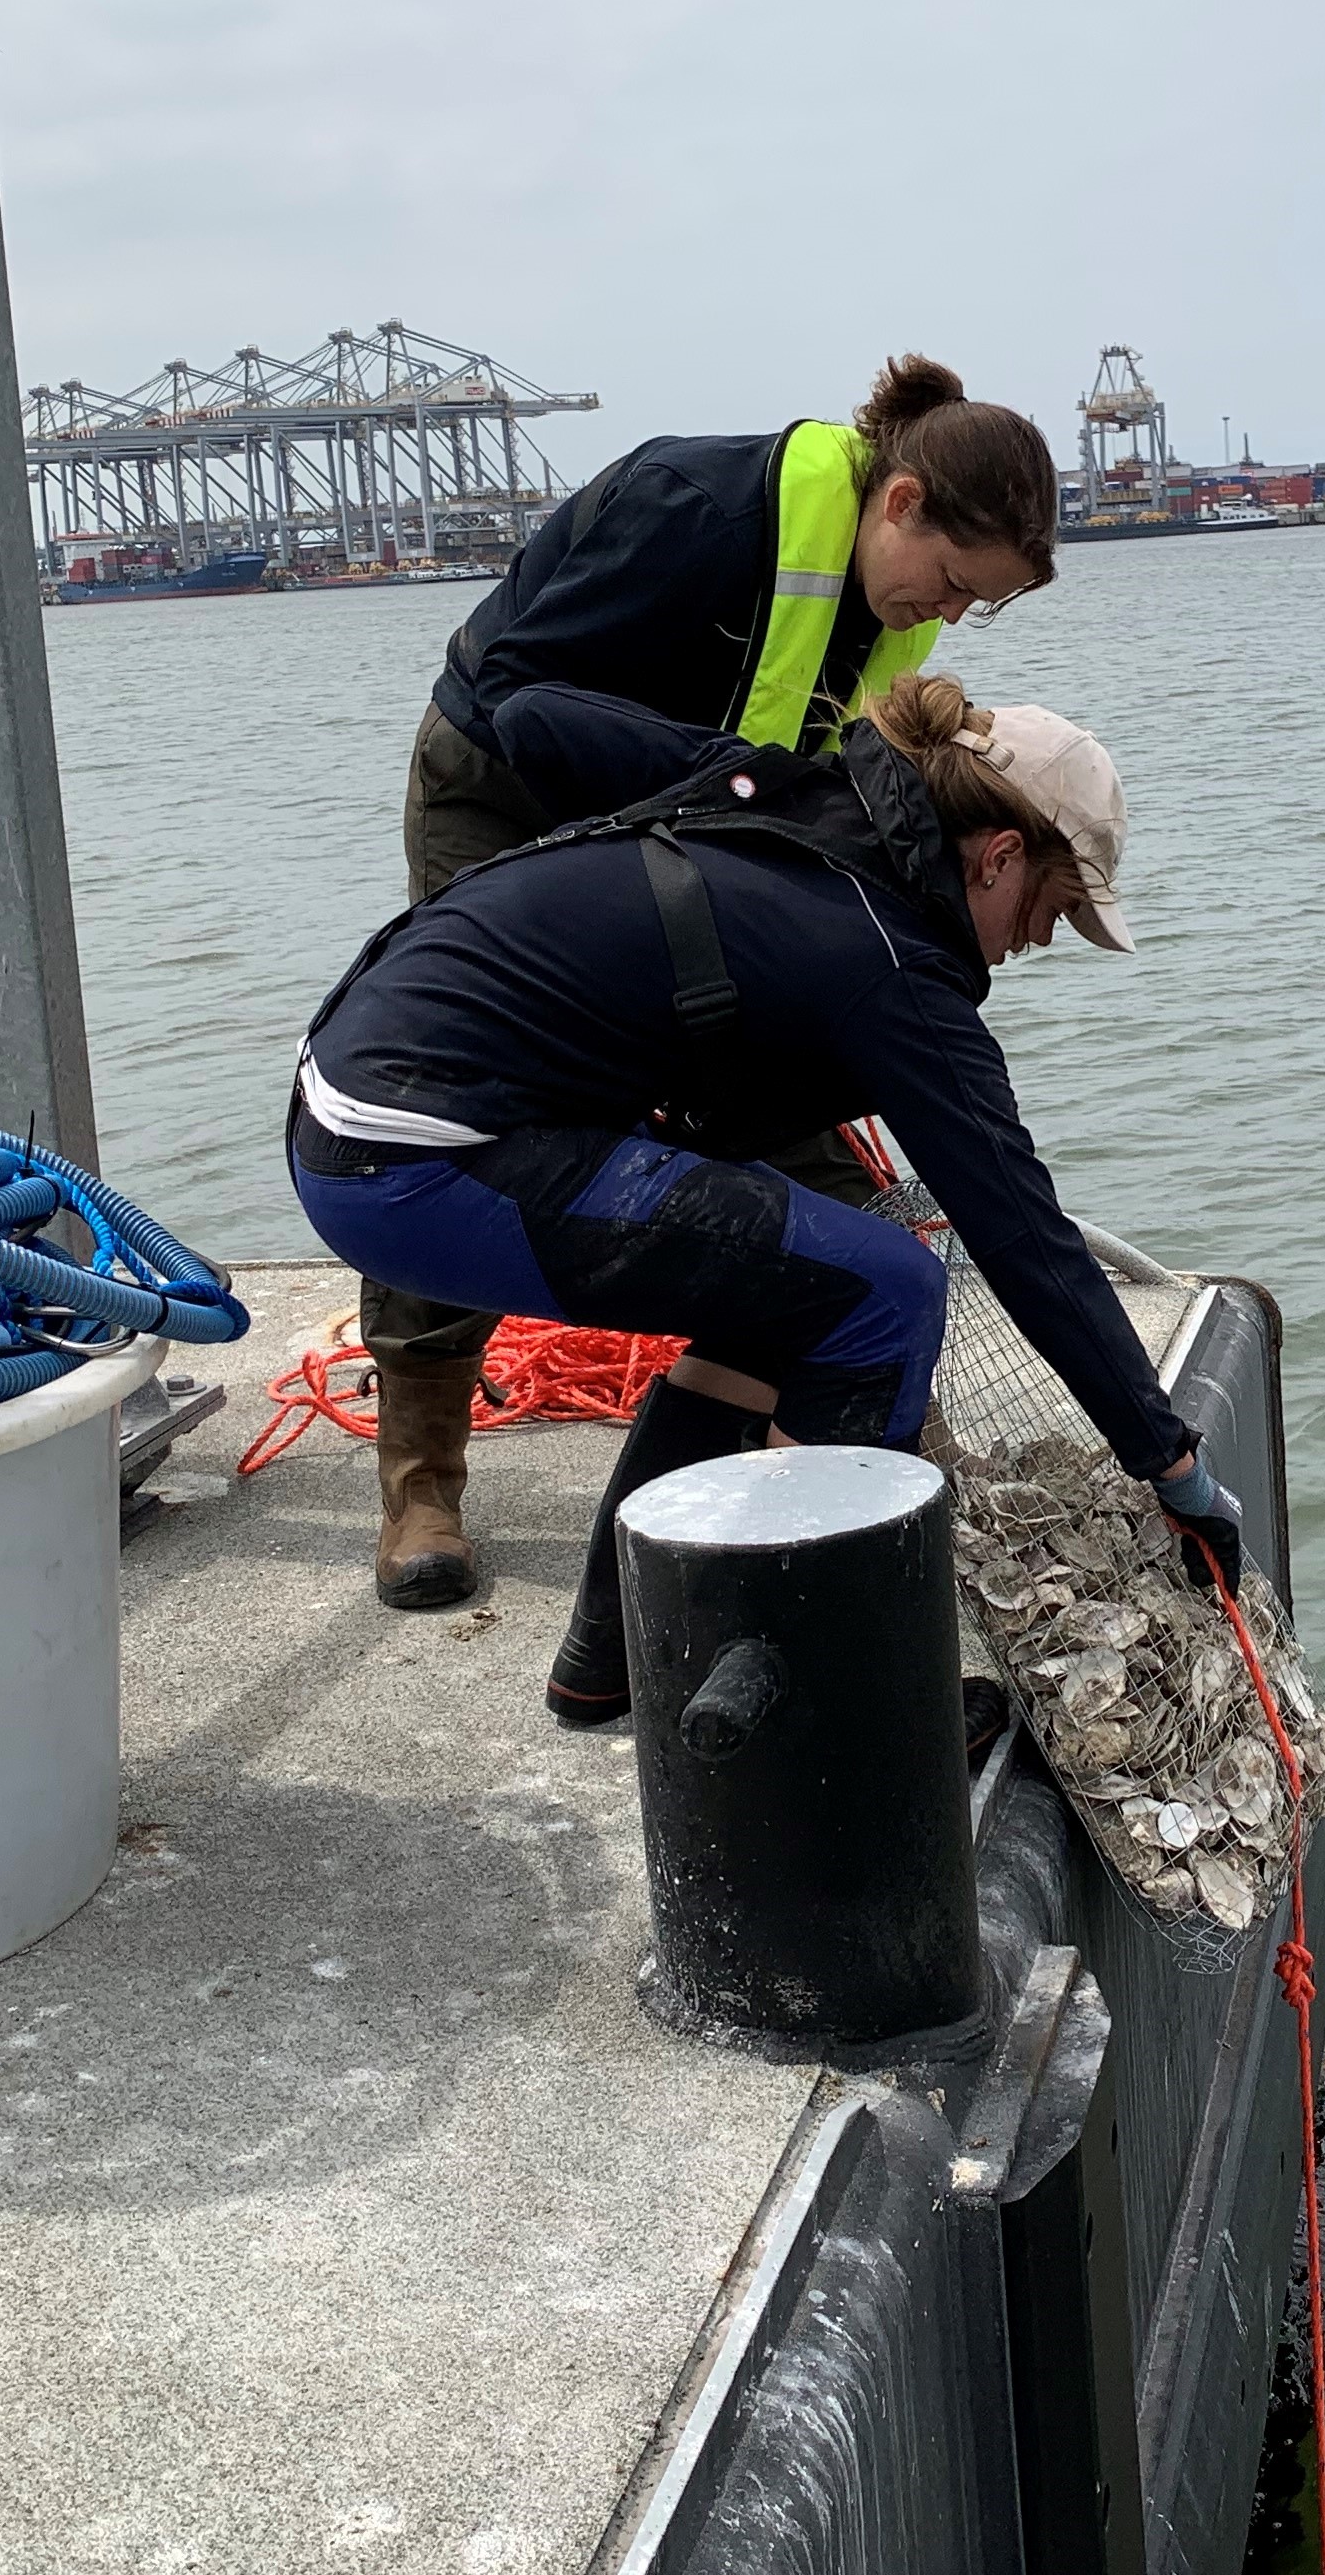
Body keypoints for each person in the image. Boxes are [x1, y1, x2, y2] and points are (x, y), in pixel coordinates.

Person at [289, 669, 1241, 1729]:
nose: (1041, 940)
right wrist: (1172, 1462)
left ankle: (612, 1659)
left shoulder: (775, 790)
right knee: (887, 1293)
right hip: (431, 1159)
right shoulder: (892, 968)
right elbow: (1022, 1235)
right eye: (1056, 908)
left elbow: (527, 716)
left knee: (795, 1290)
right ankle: (842, 1695)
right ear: (999, 854)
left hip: (345, 1102)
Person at [355, 354, 1063, 1614]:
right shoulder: (691, 505)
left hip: (684, 840)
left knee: (795, 1119)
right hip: (504, 798)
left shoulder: (893, 601)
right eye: (955, 583)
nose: (949, 616)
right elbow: (516, 697)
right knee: (462, 1103)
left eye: (980, 606)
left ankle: (863, 1410)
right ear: (899, 501)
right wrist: (730, 778)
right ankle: (421, 1478)